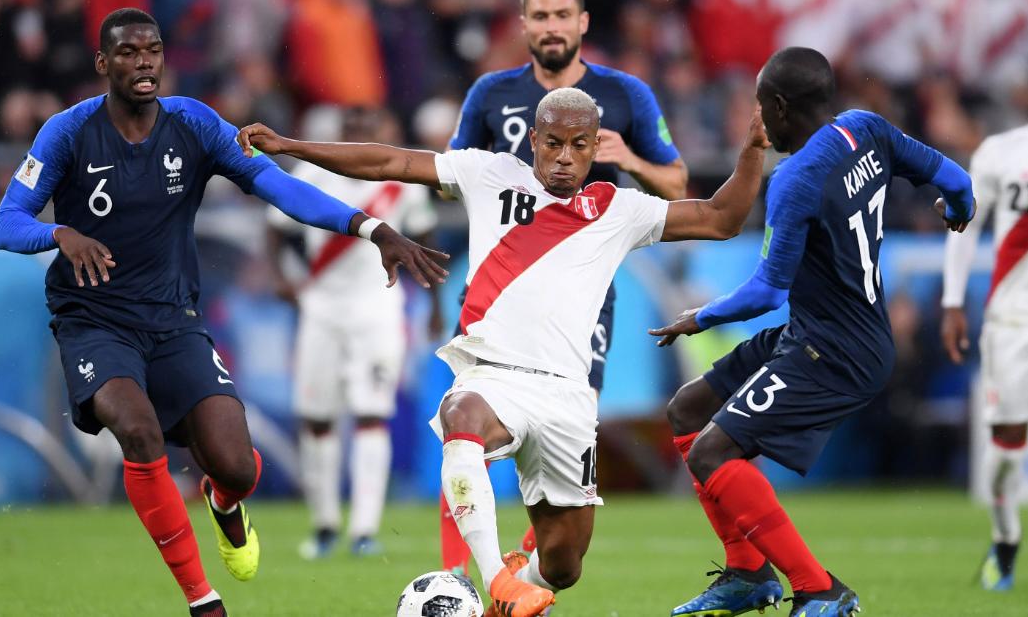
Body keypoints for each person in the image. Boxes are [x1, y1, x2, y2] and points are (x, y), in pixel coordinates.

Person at [239, 86, 768, 617]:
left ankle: (503, 600)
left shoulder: (619, 210)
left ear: (594, 147)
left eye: (579, 145)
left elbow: (720, 219)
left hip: (567, 395)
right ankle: (496, 580)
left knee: (564, 563)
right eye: (554, 143)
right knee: (459, 416)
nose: (564, 157)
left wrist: (749, 153)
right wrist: (292, 146)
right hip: (492, 375)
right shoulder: (488, 174)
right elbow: (390, 160)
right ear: (533, 140)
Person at [0, 9, 447, 617]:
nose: (143, 62)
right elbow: (6, 223)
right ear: (103, 63)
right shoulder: (68, 132)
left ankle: (225, 502)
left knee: (237, 467)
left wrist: (371, 226)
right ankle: (203, 600)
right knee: (139, 428)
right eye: (127, 53)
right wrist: (61, 233)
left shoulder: (195, 124)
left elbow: (279, 186)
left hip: (174, 319)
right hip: (93, 319)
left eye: (152, 50)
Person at [649, 47, 975, 617]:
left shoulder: (795, 178)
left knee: (710, 453)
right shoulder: (866, 128)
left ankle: (819, 588)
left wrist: (697, 317)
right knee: (688, 408)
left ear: (777, 107)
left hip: (836, 351)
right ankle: (747, 572)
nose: (756, 117)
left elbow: (765, 292)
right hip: (819, 331)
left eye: (759, 104)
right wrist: (956, 209)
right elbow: (956, 179)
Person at [443, 0, 687, 574]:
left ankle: (532, 569)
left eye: (562, 15)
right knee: (467, 424)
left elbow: (676, 182)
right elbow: (447, 177)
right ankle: (457, 576)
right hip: (499, 287)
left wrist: (628, 156)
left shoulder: (626, 95)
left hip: (580, 299)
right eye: (541, 15)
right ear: (524, 24)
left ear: (583, 23)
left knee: (564, 423)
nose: (552, 27)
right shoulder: (491, 94)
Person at [265, 106, 443, 559]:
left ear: (378, 133)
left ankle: (364, 528)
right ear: (342, 134)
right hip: (320, 308)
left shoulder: (398, 178)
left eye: (367, 130)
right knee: (318, 419)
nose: (359, 137)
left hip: (377, 309)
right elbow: (276, 228)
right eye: (352, 130)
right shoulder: (313, 170)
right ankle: (324, 524)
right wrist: (281, 277)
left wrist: (435, 305)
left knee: (370, 414)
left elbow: (423, 237)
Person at [942, 48, 1028, 593]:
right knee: (1004, 454)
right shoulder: (998, 153)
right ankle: (1006, 541)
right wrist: (950, 303)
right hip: (1010, 322)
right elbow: (963, 225)